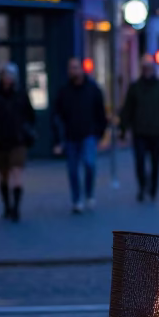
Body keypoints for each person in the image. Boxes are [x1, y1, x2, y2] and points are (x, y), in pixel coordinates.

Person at [52, 57, 107, 214]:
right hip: (71, 136)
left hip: (89, 134)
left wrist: (100, 133)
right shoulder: (64, 91)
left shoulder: (93, 89)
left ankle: (89, 194)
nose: (73, 71)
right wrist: (58, 139)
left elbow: (100, 112)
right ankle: (76, 199)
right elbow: (57, 115)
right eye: (71, 68)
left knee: (89, 164)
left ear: (82, 69)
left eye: (76, 68)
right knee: (72, 169)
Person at [120, 54, 159, 202]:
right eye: (145, 68)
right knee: (139, 162)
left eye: (149, 68)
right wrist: (123, 129)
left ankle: (153, 189)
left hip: (157, 131)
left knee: (156, 162)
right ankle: (142, 186)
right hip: (139, 131)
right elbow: (128, 109)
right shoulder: (135, 87)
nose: (147, 71)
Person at [0, 63, 35, 222]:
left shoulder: (20, 95)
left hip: (17, 140)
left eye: (11, 75)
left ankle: (16, 208)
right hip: (0, 140)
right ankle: (7, 205)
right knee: (3, 174)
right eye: (6, 75)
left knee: (16, 171)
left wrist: (25, 130)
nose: (8, 78)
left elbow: (30, 115)